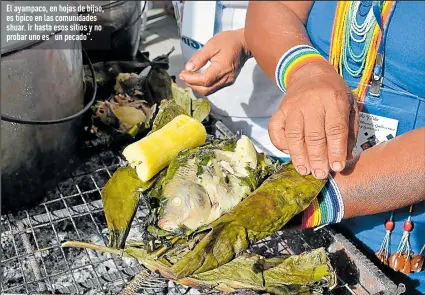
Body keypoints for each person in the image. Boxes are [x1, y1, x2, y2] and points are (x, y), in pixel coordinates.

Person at [174, 1, 425, 294]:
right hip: (311, 187)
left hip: (406, 244)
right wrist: (305, 70)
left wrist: (311, 202)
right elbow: (275, 7)